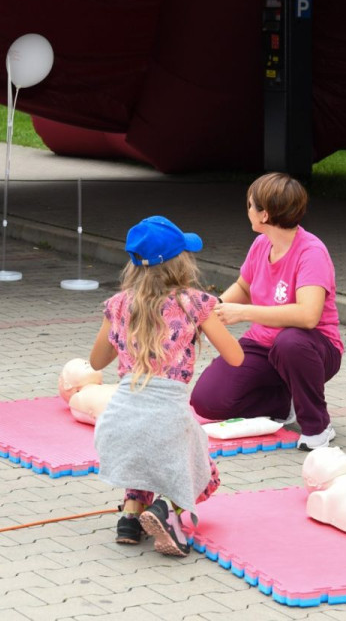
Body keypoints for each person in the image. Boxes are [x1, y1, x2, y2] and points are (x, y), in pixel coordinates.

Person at [91, 216, 243, 556]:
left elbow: (97, 362)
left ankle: (130, 516)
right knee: (199, 467)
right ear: (181, 262)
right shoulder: (194, 303)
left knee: (147, 454)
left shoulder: (117, 305)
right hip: (167, 424)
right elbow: (236, 358)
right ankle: (168, 512)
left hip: (117, 428)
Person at [190, 173, 344, 450]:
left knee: (290, 342)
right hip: (263, 345)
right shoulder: (262, 244)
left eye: (251, 205)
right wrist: (210, 311)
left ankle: (318, 426)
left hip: (313, 349)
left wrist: (245, 313)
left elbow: (308, 316)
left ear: (265, 214)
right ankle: (283, 402)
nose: (247, 210)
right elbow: (243, 287)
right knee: (207, 400)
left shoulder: (311, 252)